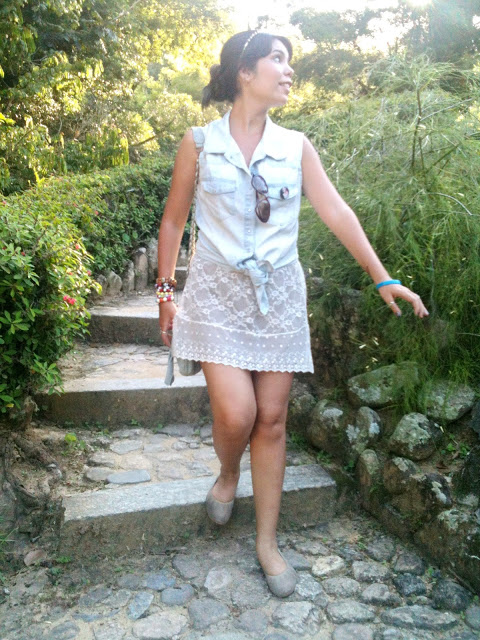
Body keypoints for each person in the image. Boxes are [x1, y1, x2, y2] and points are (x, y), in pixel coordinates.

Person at [156, 30, 429, 598]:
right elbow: (174, 220)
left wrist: (382, 276)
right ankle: (228, 472)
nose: (288, 70)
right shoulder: (199, 143)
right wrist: (165, 293)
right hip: (216, 295)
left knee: (273, 419)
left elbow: (336, 210)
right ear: (244, 72)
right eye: (277, 59)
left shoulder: (296, 146)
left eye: (289, 61)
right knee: (237, 414)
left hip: (277, 296)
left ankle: (267, 542)